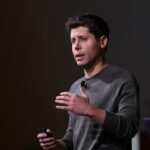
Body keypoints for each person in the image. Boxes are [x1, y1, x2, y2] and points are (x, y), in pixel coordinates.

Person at [37, 13, 140, 150]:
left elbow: (130, 127)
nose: (76, 46)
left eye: (83, 39)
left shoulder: (122, 79)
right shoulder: (75, 87)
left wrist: (89, 110)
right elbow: (73, 137)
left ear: (102, 41)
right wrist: (57, 144)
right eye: (73, 41)